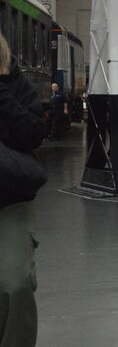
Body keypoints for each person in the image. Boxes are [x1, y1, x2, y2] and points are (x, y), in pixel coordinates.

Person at [0, 32, 46, 347]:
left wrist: (1, 93)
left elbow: (33, 134)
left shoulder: (17, 86)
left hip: (10, 199)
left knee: (13, 284)